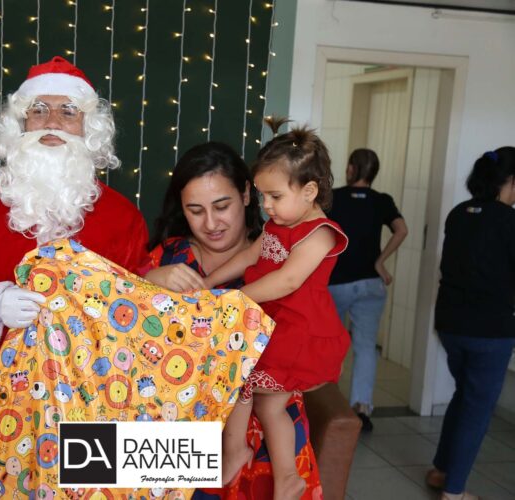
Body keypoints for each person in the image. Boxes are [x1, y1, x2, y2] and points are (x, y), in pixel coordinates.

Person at [0, 56, 149, 446]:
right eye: (39, 110)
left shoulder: (122, 216)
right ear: (21, 123)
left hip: (91, 407)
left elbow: (139, 310)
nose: (52, 123)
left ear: (88, 128)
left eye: (69, 111)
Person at [143, 141, 322, 499]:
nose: (211, 223)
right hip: (175, 427)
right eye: (195, 210)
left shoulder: (284, 260)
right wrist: (149, 280)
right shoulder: (169, 255)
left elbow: (312, 348)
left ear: (246, 194)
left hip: (263, 426)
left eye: (222, 206)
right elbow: (114, 331)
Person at [203, 128, 350, 498]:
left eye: (275, 196)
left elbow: (288, 280)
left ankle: (237, 450)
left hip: (295, 331)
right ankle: (287, 476)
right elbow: (249, 256)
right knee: (269, 408)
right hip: (269, 323)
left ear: (309, 191)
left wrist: (236, 298)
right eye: (263, 195)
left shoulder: (320, 233)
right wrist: (209, 283)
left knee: (242, 380)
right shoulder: (276, 225)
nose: (266, 205)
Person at [425, 147, 515, 500]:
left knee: (465, 394)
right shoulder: (509, 220)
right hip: (490, 329)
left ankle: (441, 470)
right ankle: (455, 491)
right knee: (477, 408)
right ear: (510, 181)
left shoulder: (459, 213)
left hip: (451, 323)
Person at [327, 148, 408, 431]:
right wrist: (380, 262)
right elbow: (402, 230)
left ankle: (329, 406)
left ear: (351, 168)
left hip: (336, 282)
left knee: (330, 344)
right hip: (371, 284)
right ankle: (361, 408)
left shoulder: (333, 198)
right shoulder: (382, 200)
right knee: (365, 347)